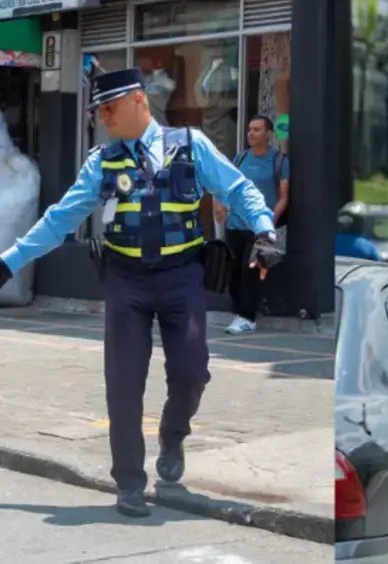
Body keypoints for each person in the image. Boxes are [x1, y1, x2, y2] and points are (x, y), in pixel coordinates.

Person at [0, 69, 285, 518]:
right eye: (98, 111)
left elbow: (238, 188)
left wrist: (265, 231)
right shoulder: (102, 162)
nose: (103, 118)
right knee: (123, 385)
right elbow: (59, 220)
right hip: (126, 281)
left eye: (109, 108)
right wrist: (8, 262)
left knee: (192, 373)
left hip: (182, 278)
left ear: (138, 101)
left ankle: (173, 435)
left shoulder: (190, 145)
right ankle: (129, 482)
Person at [215, 115, 290, 335]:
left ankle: (247, 317)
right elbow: (224, 184)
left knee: (250, 272)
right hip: (235, 223)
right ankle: (239, 312)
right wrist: (220, 205)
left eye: (257, 130)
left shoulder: (279, 161)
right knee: (233, 272)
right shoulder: (240, 158)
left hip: (258, 229)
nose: (251, 133)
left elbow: (284, 196)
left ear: (268, 134)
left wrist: (268, 224)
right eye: (249, 129)